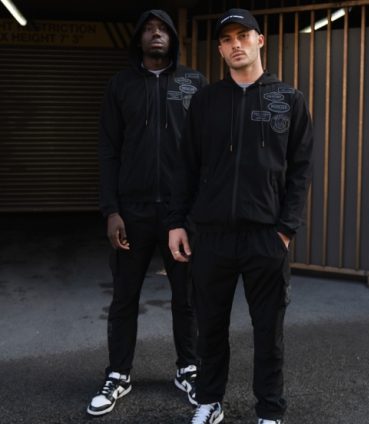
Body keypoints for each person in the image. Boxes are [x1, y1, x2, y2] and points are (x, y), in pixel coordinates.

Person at [167, 8, 313, 424]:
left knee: (268, 331)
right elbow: (186, 166)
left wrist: (285, 230)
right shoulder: (205, 101)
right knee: (210, 328)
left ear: (260, 41)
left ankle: (270, 410)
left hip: (265, 237)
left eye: (243, 36)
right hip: (211, 236)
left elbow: (301, 170)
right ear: (219, 49)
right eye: (227, 39)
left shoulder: (289, 100)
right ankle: (209, 401)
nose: (236, 45)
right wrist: (177, 222)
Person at [87, 9, 207, 416]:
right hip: (132, 211)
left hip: (180, 214)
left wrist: (195, 213)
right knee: (124, 297)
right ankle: (118, 374)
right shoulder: (120, 86)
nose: (156, 34)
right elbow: (108, 150)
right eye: (148, 30)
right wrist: (111, 210)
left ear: (173, 39)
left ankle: (189, 369)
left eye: (163, 30)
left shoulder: (194, 83)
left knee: (187, 297)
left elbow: (205, 151)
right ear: (138, 39)